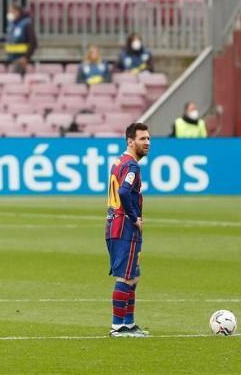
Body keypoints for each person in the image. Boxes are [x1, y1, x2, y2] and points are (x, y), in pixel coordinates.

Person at [106, 122, 151, 338]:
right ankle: (118, 326)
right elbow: (124, 192)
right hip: (125, 226)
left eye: (149, 139)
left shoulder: (118, 162)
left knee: (133, 275)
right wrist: (135, 217)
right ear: (130, 141)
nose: (148, 143)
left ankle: (129, 324)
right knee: (125, 276)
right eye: (143, 139)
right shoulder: (132, 166)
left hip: (114, 224)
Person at [4, 4, 37, 74]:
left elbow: (33, 43)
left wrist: (26, 57)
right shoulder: (12, 24)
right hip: (11, 58)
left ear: (18, 12)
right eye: (9, 12)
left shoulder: (27, 24)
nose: (10, 14)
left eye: (12, 12)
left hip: (21, 59)